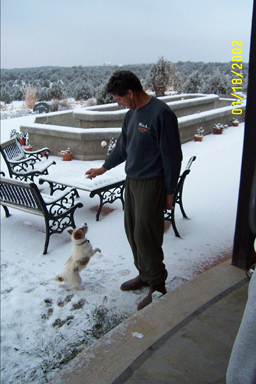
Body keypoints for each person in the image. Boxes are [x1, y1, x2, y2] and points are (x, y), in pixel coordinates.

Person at [86, 70, 182, 310]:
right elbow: (122, 148)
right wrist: (103, 168)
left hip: (153, 183)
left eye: (119, 98)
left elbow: (172, 158)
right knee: (132, 231)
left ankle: (158, 286)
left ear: (130, 92)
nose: (118, 103)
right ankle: (145, 274)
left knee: (146, 235)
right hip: (133, 181)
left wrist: (170, 193)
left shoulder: (161, 114)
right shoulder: (130, 116)